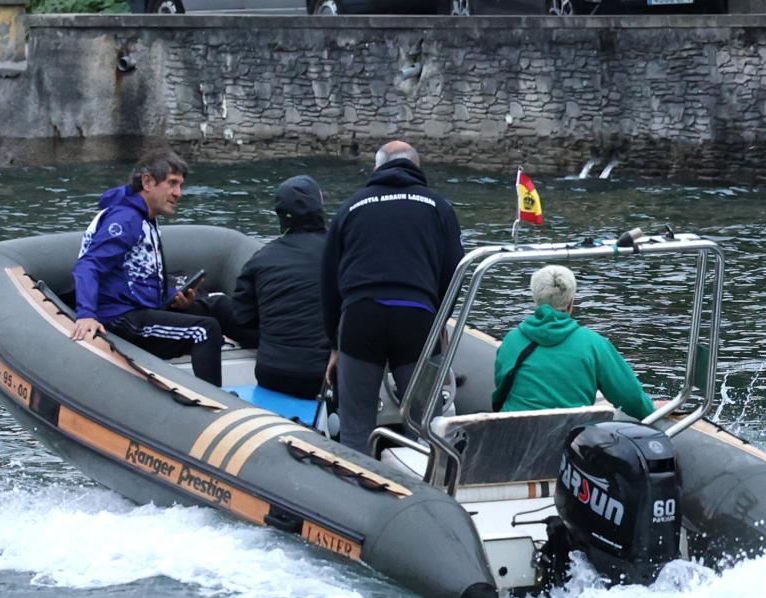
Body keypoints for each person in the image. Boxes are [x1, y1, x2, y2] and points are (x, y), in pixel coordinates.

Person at [322, 142, 463, 455]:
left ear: (376, 168)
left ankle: (355, 491)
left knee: (356, 426)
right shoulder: (438, 207)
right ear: (417, 166)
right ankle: (424, 489)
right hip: (416, 316)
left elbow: (330, 281)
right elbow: (454, 271)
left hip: (361, 315)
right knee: (424, 423)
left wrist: (334, 343)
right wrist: (438, 318)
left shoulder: (351, 207)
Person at [71, 150, 224, 386]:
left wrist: (173, 298)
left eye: (181, 185)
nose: (178, 193)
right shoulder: (126, 220)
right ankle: (216, 405)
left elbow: (137, 274)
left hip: (137, 306)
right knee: (204, 331)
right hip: (119, 316)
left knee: (209, 309)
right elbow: (89, 265)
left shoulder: (145, 217)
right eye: (172, 184)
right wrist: (86, 315)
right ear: (147, 182)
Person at [218, 175, 333, 398]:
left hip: (272, 373)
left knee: (216, 303)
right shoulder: (341, 254)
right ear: (318, 209)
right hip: (323, 375)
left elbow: (243, 317)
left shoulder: (260, 259)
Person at [493, 265, 655, 419]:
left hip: (511, 438)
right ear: (571, 302)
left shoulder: (512, 340)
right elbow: (631, 399)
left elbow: (500, 392)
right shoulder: (594, 345)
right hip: (568, 440)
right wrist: (652, 413)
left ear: (536, 299)